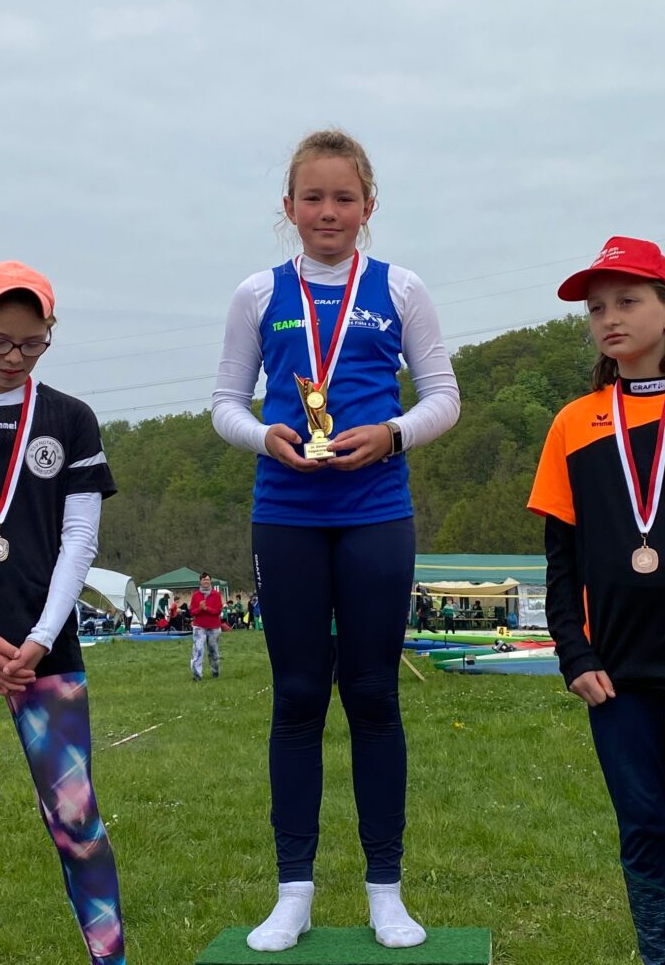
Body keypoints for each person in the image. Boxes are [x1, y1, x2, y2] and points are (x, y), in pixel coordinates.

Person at [212, 129, 460, 952]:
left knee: (374, 694)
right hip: (286, 511)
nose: (328, 211)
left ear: (368, 206)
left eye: (344, 198)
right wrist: (265, 437)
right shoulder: (257, 293)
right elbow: (225, 404)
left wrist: (392, 434)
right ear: (288, 207)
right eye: (312, 198)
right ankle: (294, 893)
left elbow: (443, 396)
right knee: (296, 697)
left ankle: (386, 889)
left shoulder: (402, 288)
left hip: (376, 511)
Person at [528, 237, 665, 965]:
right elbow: (561, 560)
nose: (609, 318)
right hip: (613, 672)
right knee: (642, 827)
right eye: (596, 309)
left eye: (627, 301)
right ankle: (662, 958)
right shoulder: (572, 423)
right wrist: (574, 654)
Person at [0, 261, 125, 964]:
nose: (14, 358)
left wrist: (39, 636)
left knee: (77, 823)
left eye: (33, 344)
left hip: (45, 656)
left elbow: (79, 539)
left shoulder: (69, 419)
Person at [189, 572, 223, 680]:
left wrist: (206, 608)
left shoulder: (216, 595)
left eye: (207, 579)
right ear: (200, 581)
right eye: (204, 580)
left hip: (214, 627)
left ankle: (215, 672)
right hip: (199, 627)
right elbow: (192, 612)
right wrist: (200, 609)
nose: (206, 582)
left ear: (210, 581)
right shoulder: (196, 595)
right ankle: (197, 675)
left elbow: (218, 611)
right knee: (198, 650)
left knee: (213, 651)